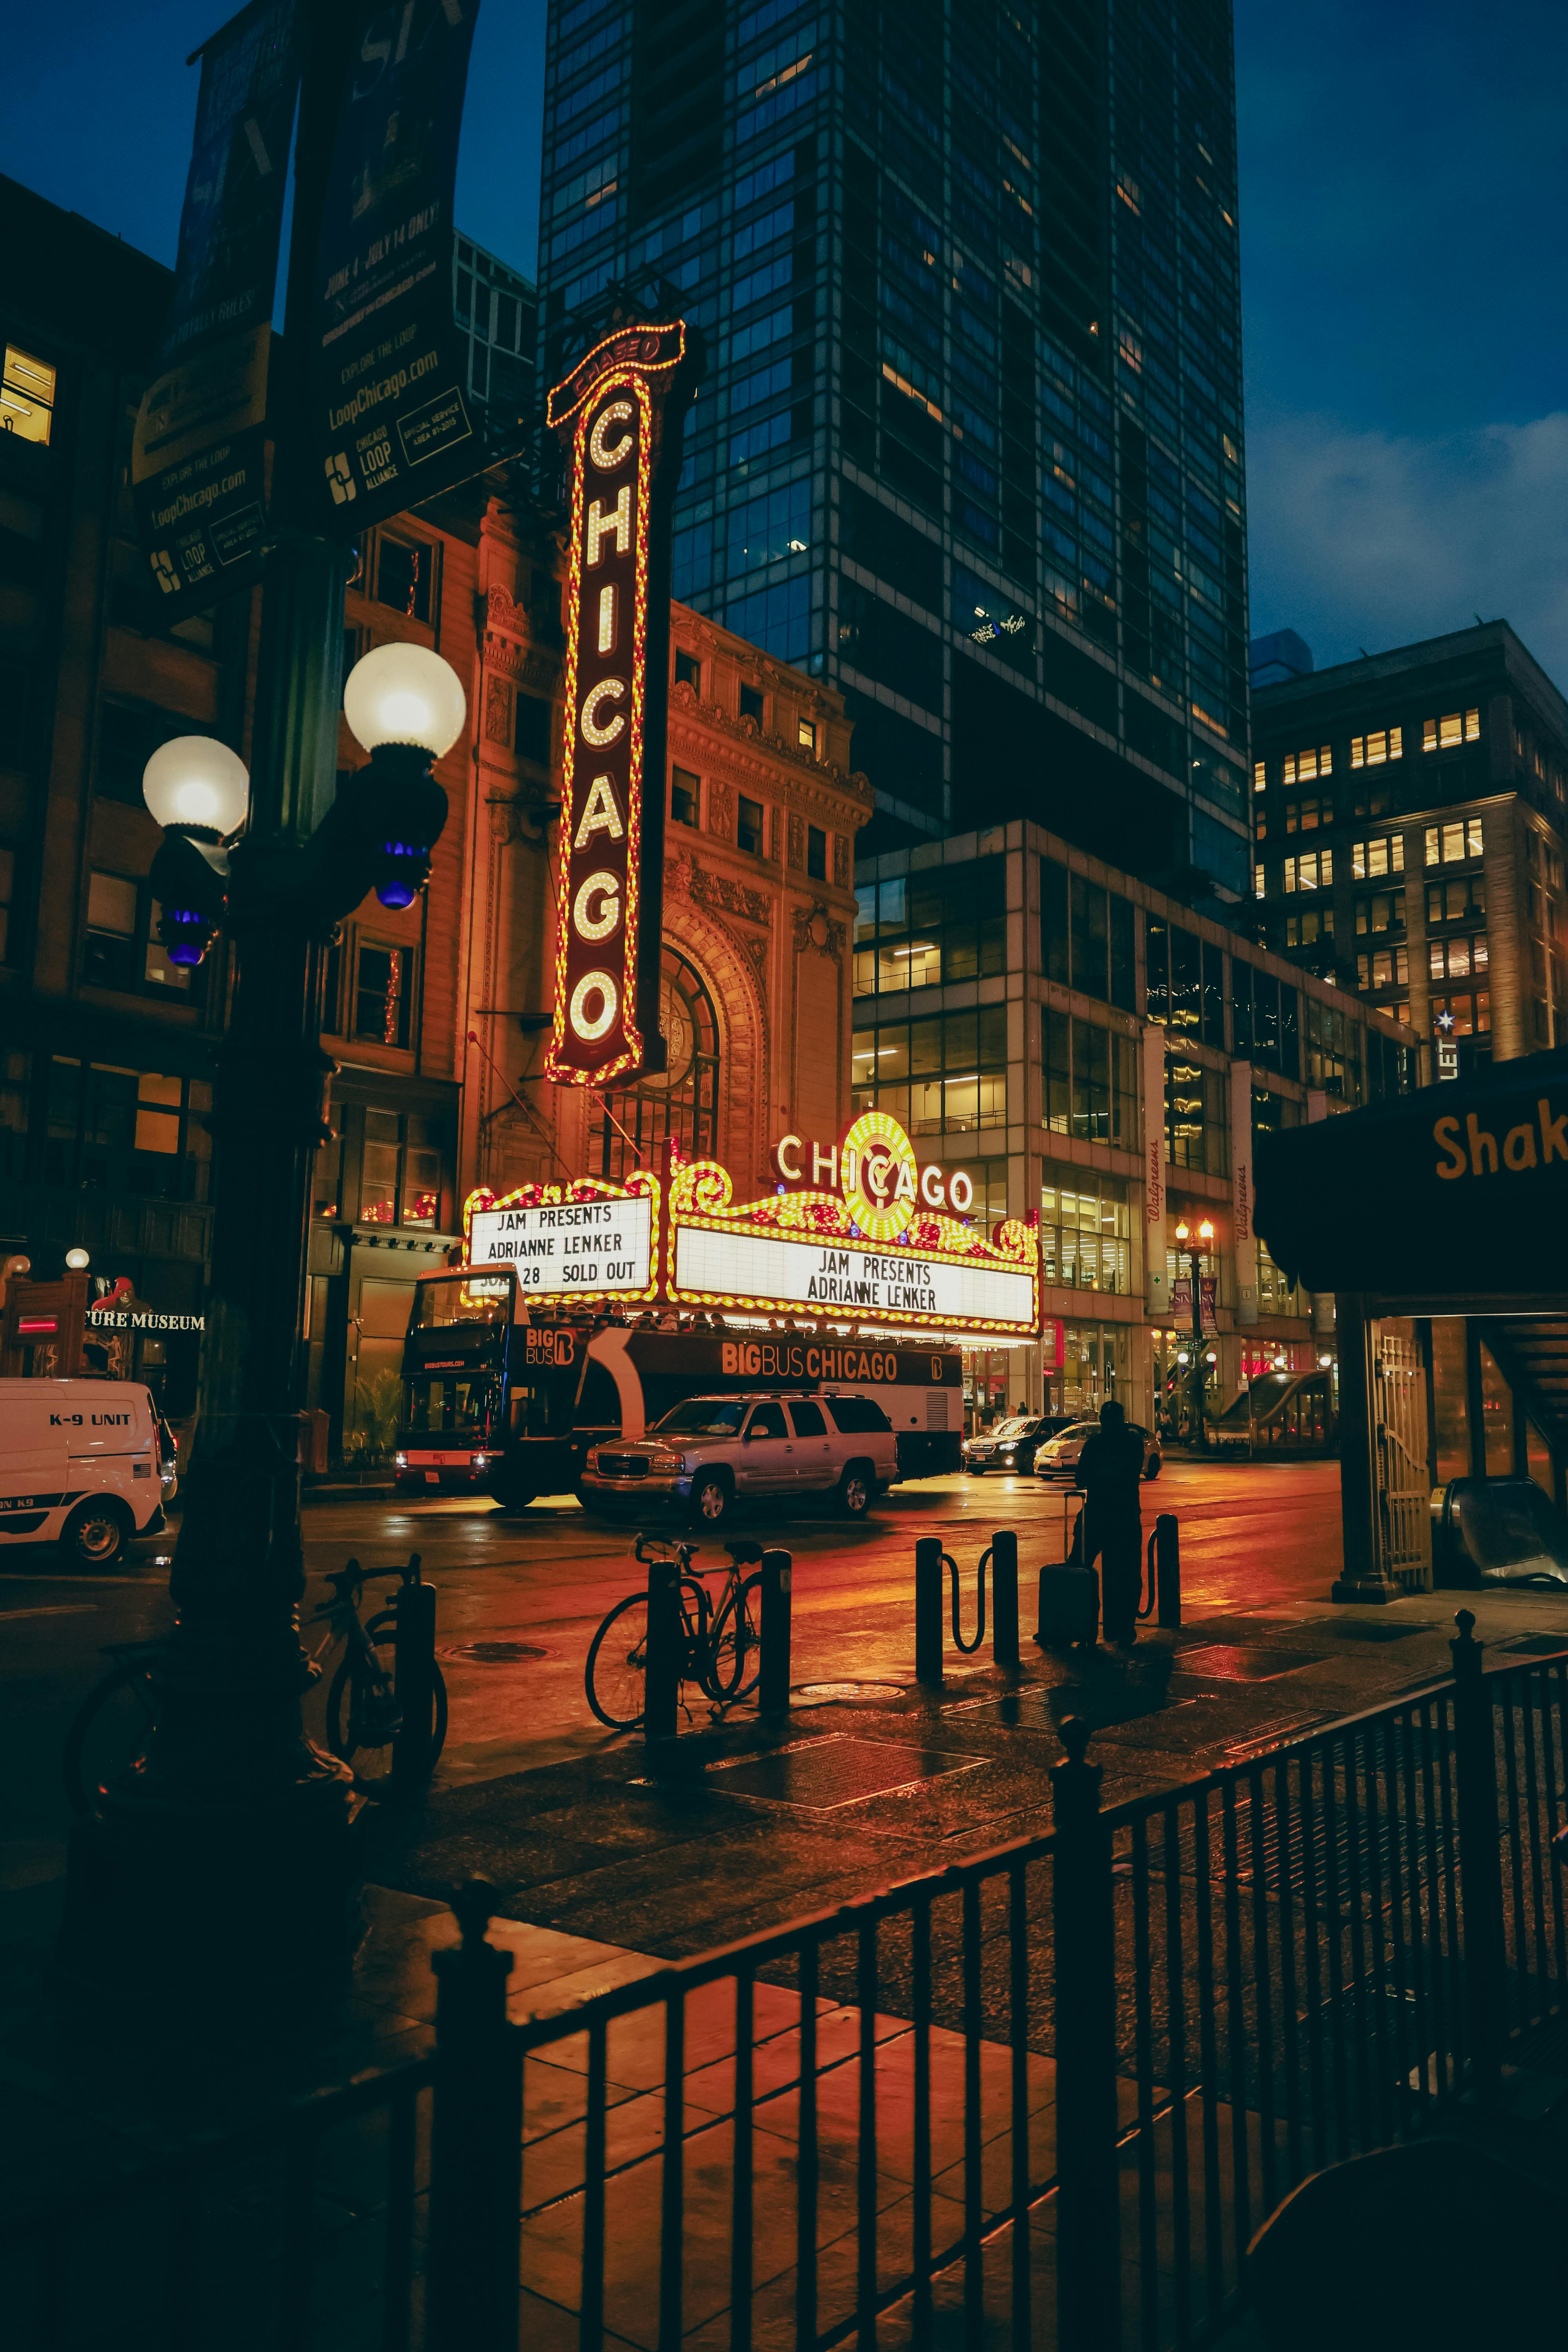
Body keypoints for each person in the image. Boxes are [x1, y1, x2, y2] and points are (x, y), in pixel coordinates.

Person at [1074, 1398, 1145, 1647]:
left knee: (1081, 1570)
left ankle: (1082, 1625)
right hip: (1126, 1515)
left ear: (1103, 1422)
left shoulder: (1095, 1444)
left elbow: (1079, 1479)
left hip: (1097, 1514)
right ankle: (1123, 1627)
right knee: (1126, 1572)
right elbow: (1132, 1473)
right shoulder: (1134, 1443)